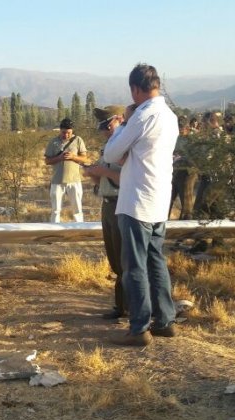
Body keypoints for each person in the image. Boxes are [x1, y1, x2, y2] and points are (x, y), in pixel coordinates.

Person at [103, 64, 179, 346]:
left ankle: (139, 328)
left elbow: (111, 151)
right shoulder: (170, 115)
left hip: (136, 201)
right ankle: (165, 321)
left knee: (134, 266)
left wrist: (123, 122)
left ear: (135, 89)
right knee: (156, 261)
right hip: (159, 200)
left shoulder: (142, 115)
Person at [83, 105, 128, 320]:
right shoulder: (109, 146)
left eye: (107, 125)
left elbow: (128, 178)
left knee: (124, 258)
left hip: (122, 204)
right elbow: (103, 178)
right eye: (102, 127)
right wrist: (93, 173)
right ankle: (121, 306)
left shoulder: (126, 146)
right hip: (108, 204)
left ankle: (129, 308)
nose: (104, 130)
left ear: (119, 120)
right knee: (114, 259)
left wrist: (102, 171)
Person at [44, 118, 88, 222]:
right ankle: (54, 231)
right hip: (57, 180)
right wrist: (59, 158)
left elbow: (85, 159)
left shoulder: (78, 140)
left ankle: (80, 230)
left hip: (74, 180)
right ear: (60, 130)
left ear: (72, 131)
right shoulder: (53, 142)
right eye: (64, 132)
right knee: (55, 210)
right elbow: (47, 161)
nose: (66, 135)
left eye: (68, 133)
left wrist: (73, 157)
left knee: (77, 209)